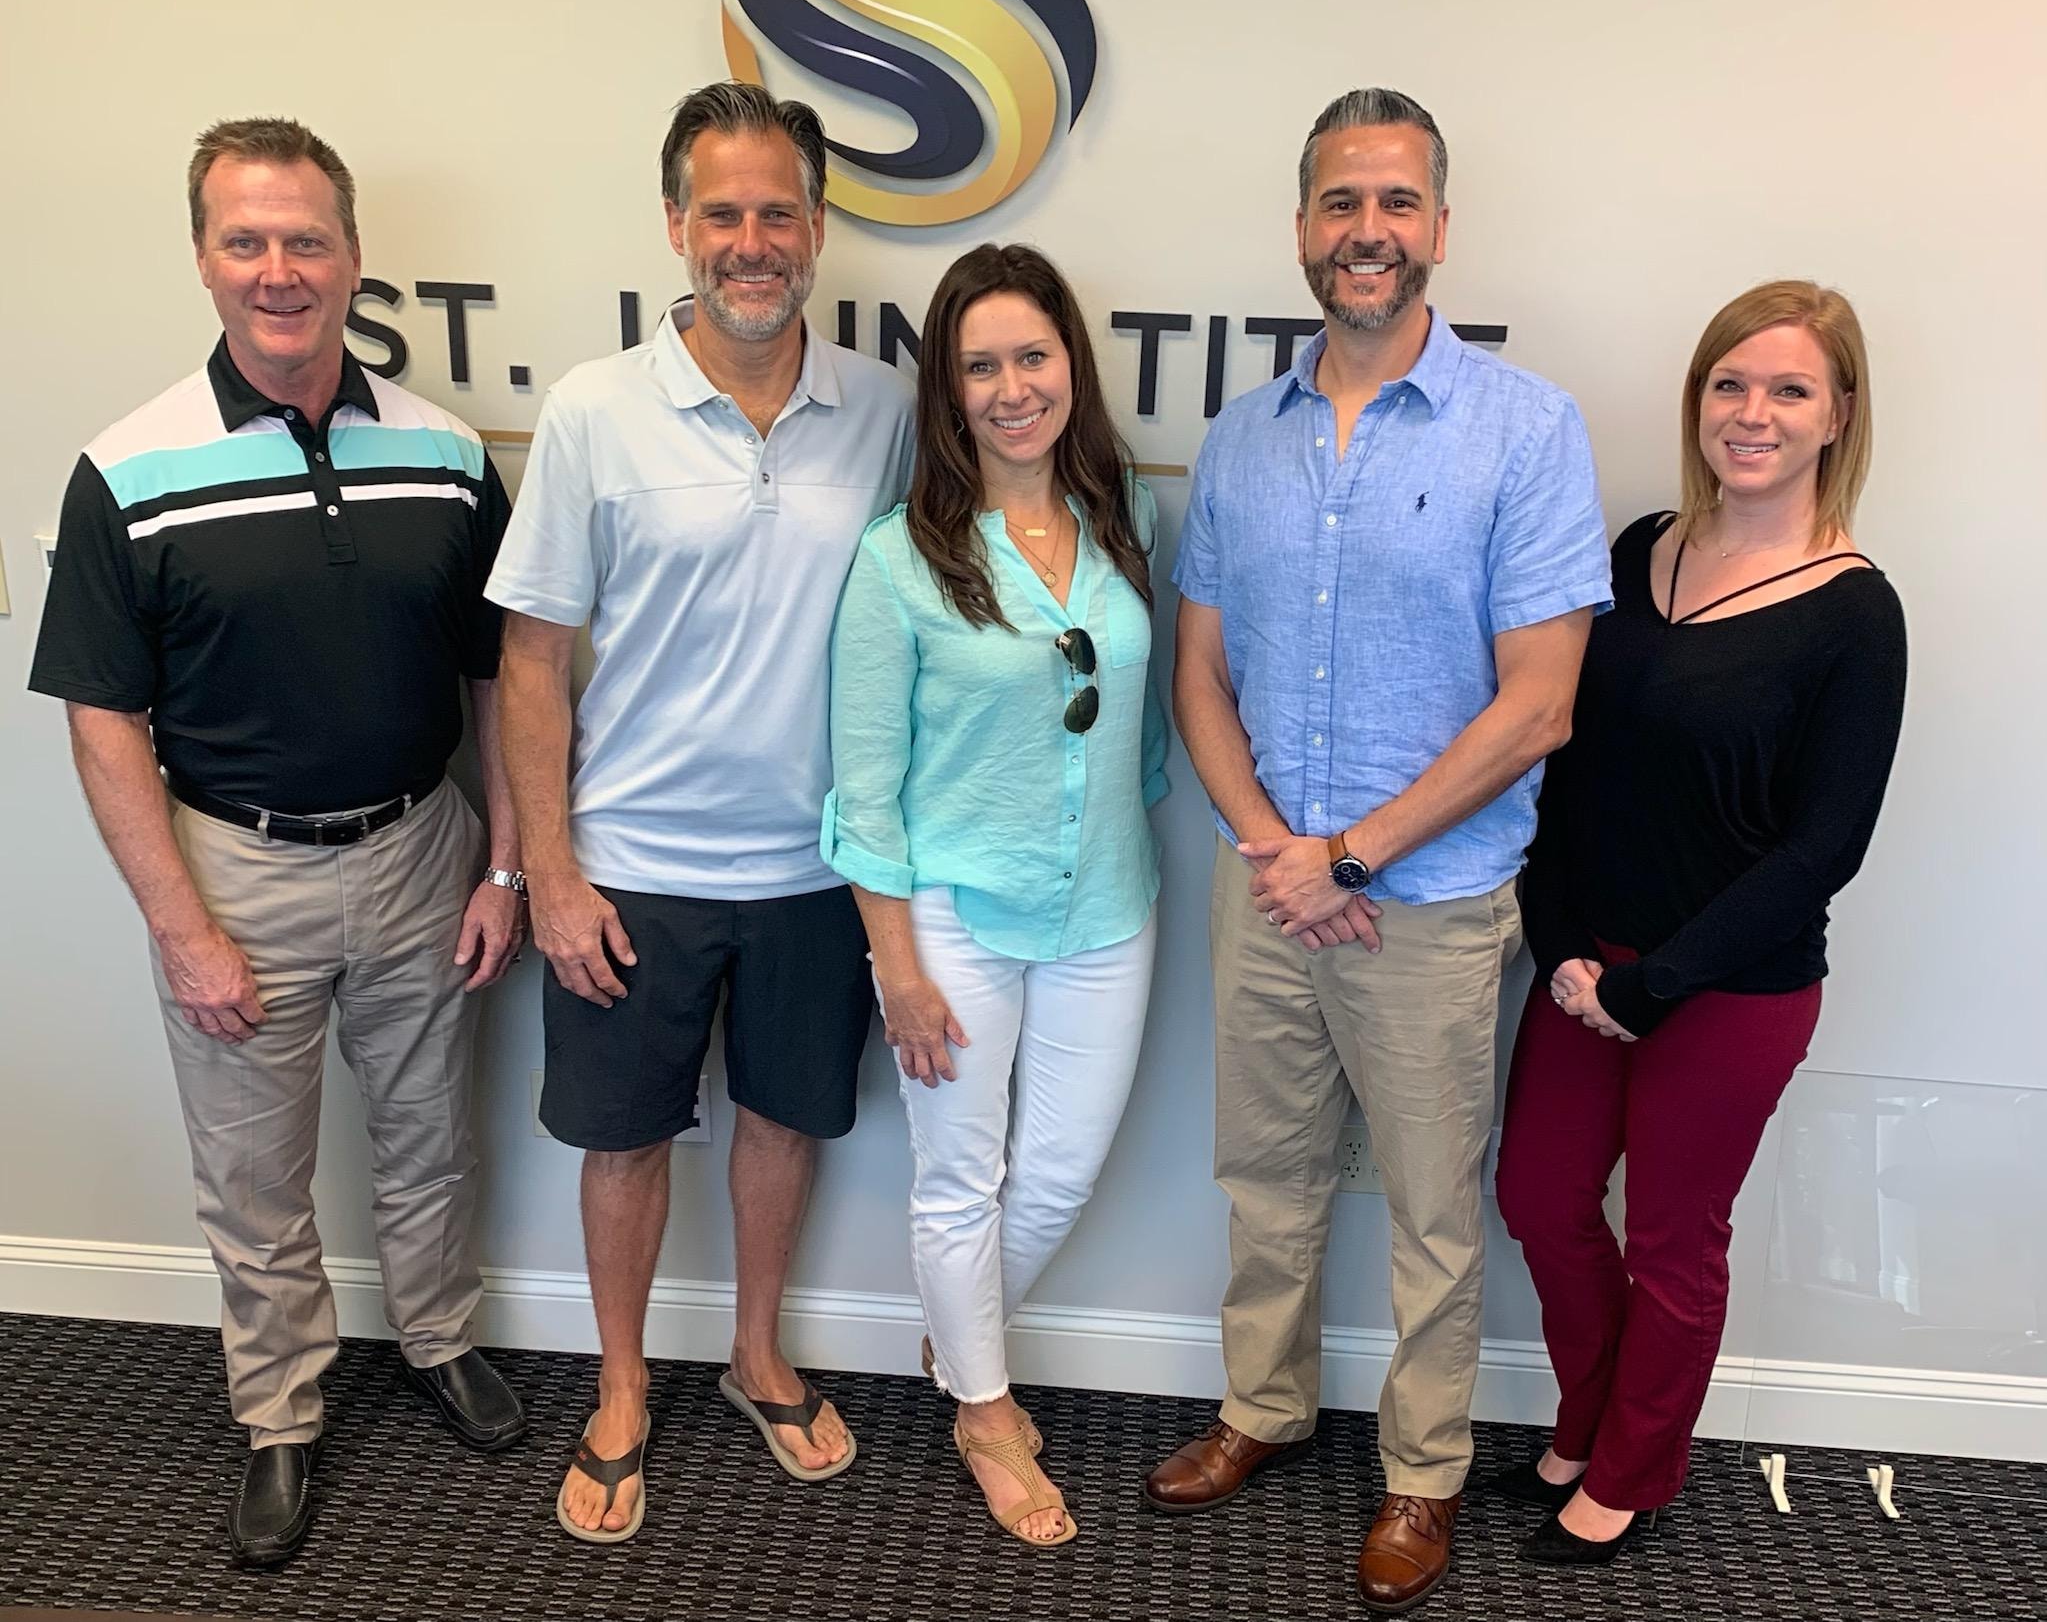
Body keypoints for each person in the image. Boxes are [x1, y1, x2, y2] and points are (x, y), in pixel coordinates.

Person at [28, 117, 528, 1567]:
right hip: (233, 869)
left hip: (423, 848)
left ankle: (439, 1343)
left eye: (306, 238)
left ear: (354, 257)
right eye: (245, 240)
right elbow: (102, 721)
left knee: (433, 1142)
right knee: (251, 1177)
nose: (278, 269)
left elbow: (497, 674)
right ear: (202, 259)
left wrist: (498, 861)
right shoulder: (127, 468)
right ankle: (279, 1415)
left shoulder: (439, 452)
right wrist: (180, 925)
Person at [1143, 88, 1613, 1613]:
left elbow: (1536, 706)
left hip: (1428, 906)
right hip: (1266, 884)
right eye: (1341, 203)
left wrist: (1346, 855)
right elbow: (1196, 679)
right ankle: (1262, 1412)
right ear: (1300, 229)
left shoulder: (1525, 432)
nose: (1367, 232)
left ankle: (1420, 1477)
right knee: (1261, 1176)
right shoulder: (1239, 440)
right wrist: (1279, 849)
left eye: (1395, 204)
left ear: (1437, 230)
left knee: (1426, 1208)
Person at [488, 81, 914, 1542]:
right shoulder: (593, 412)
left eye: (777, 213)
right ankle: (619, 1387)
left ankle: (754, 1354)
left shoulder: (888, 413)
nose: (752, 241)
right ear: (675, 227)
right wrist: (549, 868)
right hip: (632, 871)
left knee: (784, 1125)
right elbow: (533, 662)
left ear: (816, 228)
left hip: (816, 870)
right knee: (623, 1144)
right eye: (721, 213)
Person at [1493, 280, 1906, 1565]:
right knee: (1537, 1198)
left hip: (1730, 986)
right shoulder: (1635, 549)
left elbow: (1821, 849)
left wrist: (1653, 984)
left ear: (1838, 414)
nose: (1753, 411)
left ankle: (1630, 1465)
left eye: (1789, 388)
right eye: (1731, 382)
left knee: (1673, 1238)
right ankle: (1588, 1414)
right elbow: (1566, 757)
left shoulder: (1855, 613)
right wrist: (1561, 940)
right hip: (1581, 966)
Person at [825, 244, 1170, 1550]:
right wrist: (895, 968)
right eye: (980, 365)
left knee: (1063, 1170)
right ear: (947, 392)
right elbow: (865, 795)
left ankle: (951, 1336)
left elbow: (1139, 742)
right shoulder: (898, 559)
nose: (1012, 386)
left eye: (1032, 355)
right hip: (953, 923)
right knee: (954, 1181)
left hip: (1104, 912)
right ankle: (980, 1406)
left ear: (1069, 365)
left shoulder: (1128, 515)